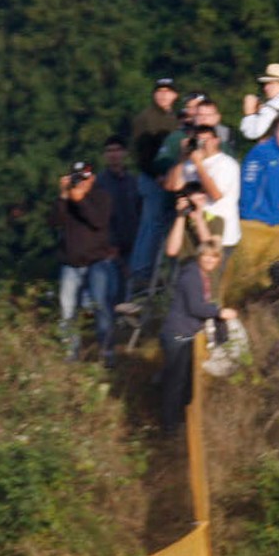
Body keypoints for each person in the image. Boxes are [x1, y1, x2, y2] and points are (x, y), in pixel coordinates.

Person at [158, 237, 238, 434]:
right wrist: (220, 312)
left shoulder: (201, 275)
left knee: (181, 381)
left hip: (184, 335)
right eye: (207, 256)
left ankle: (177, 422)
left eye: (215, 257)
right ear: (199, 256)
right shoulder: (192, 276)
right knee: (176, 383)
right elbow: (195, 307)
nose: (210, 260)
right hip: (178, 335)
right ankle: (169, 427)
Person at [52, 160, 118, 364]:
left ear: (93, 178)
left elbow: (99, 221)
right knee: (67, 310)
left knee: (100, 305)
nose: (81, 182)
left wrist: (80, 200)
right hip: (71, 264)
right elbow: (55, 221)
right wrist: (64, 195)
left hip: (96, 262)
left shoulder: (101, 197)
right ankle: (70, 353)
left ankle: (107, 351)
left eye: (85, 177)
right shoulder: (66, 199)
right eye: (77, 177)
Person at [129, 78, 181, 284]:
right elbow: (141, 153)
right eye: (160, 91)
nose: (163, 95)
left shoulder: (174, 118)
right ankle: (142, 271)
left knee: (161, 224)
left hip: (168, 178)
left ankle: (154, 270)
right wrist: (156, 175)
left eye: (168, 91)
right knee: (151, 224)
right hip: (153, 178)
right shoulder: (146, 118)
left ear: (174, 95)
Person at [165, 124, 242, 258]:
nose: (203, 145)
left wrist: (199, 165)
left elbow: (215, 194)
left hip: (221, 234)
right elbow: (172, 186)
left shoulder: (227, 164)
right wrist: (182, 158)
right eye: (199, 141)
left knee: (212, 277)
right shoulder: (190, 162)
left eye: (206, 140)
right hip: (194, 230)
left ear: (216, 140)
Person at [238, 112, 279, 225]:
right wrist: (246, 213)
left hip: (276, 219)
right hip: (254, 217)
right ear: (276, 131)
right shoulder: (261, 151)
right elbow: (247, 182)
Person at [100, 136, 140, 290]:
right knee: (111, 290)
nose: (113, 154)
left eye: (117, 150)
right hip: (109, 247)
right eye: (109, 151)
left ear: (124, 153)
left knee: (131, 289)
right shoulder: (100, 183)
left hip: (133, 243)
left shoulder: (133, 181)